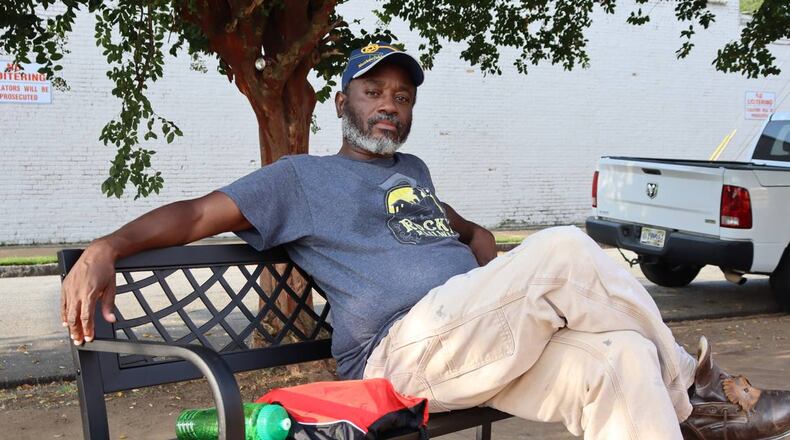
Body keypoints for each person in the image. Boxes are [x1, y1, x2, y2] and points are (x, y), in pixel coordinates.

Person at [61, 42, 790, 440]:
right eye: (374, 92)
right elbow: (192, 216)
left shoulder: (412, 171)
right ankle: (707, 392)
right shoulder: (298, 179)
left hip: (473, 342)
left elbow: (465, 234)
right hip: (402, 354)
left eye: (402, 96)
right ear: (343, 101)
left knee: (623, 360)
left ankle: (679, 399)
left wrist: (502, 271)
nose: (389, 105)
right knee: (566, 246)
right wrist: (105, 248)